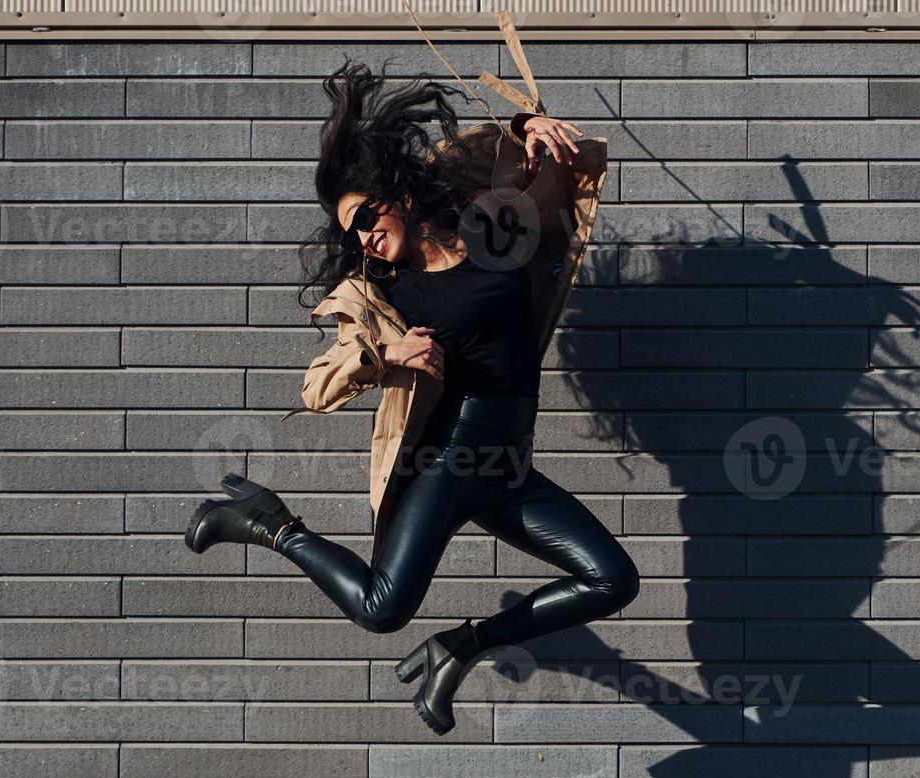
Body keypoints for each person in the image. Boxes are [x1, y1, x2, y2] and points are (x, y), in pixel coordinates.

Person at [184, 43, 639, 735]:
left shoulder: (483, 229)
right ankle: (270, 524)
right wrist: (382, 351)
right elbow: (316, 387)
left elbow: (494, 161)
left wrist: (526, 130)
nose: (364, 237)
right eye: (352, 233)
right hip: (449, 461)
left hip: (508, 465)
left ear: (396, 198)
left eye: (367, 217)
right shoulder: (382, 293)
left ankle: (461, 646)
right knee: (380, 608)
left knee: (612, 580)